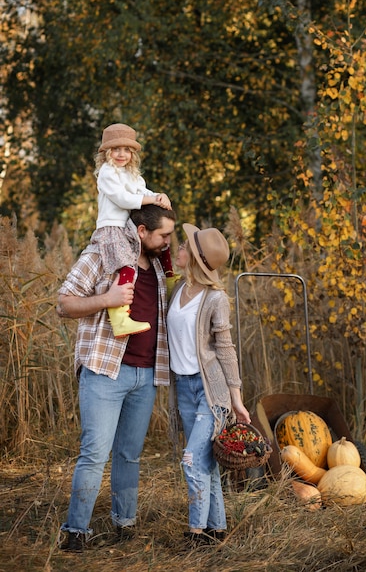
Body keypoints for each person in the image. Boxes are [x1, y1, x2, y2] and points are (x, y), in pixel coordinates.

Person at [56, 204, 176, 553]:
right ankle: (75, 531)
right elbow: (63, 303)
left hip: (146, 374)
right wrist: (106, 298)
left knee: (130, 454)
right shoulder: (101, 254)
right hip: (105, 372)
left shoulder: (155, 265)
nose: (169, 241)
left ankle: (125, 523)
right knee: (94, 453)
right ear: (141, 232)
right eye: (163, 235)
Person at [167, 224, 251, 547]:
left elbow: (226, 350)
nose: (180, 248)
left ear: (196, 259)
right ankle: (218, 530)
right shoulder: (177, 291)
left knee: (190, 459)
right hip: (184, 390)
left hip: (210, 392)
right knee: (205, 463)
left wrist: (237, 400)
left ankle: (196, 533)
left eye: (186, 246)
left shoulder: (215, 299)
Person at [90, 122, 172, 338]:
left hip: (127, 228)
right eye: (116, 149)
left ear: (133, 153)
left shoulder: (132, 174)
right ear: (107, 152)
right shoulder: (107, 172)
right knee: (127, 266)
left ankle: (170, 277)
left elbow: (142, 191)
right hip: (112, 228)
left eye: (127, 150)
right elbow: (123, 199)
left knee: (160, 241)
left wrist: (159, 196)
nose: (121, 154)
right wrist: (151, 198)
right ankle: (120, 319)